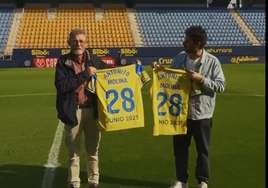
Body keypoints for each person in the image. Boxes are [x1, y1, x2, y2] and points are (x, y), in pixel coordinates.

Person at [151, 26, 226, 188]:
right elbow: (169, 79)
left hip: (202, 114)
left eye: (187, 40)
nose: (184, 42)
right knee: (179, 150)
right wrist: (159, 70)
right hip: (179, 114)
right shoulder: (179, 58)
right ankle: (181, 181)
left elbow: (221, 86)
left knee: (202, 150)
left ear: (197, 44)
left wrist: (201, 79)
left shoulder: (213, 62)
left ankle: (202, 181)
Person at [54, 29, 112, 188]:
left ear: (86, 43)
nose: (78, 44)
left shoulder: (93, 59)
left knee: (93, 150)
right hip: (74, 111)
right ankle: (74, 182)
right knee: (74, 152)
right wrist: (85, 74)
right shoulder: (63, 62)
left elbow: (110, 73)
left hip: (93, 111)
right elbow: (62, 86)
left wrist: (131, 64)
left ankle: (94, 181)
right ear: (69, 43)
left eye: (81, 41)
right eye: (75, 41)